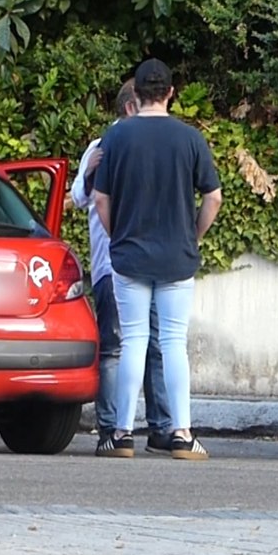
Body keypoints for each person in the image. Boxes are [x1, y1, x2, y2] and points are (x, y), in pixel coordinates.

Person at [92, 58, 223, 460]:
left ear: (137, 95)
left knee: (131, 341)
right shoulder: (190, 139)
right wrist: (192, 236)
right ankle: (182, 433)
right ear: (170, 93)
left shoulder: (116, 139)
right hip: (177, 256)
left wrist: (119, 236)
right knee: (173, 343)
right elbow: (213, 197)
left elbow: (100, 199)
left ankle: (122, 433)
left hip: (130, 255)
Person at [70, 79, 173, 454]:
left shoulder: (148, 146)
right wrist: (88, 173)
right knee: (117, 347)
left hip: (146, 262)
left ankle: (159, 427)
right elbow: (81, 198)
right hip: (115, 265)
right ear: (131, 108)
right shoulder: (102, 148)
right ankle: (112, 428)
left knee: (156, 346)